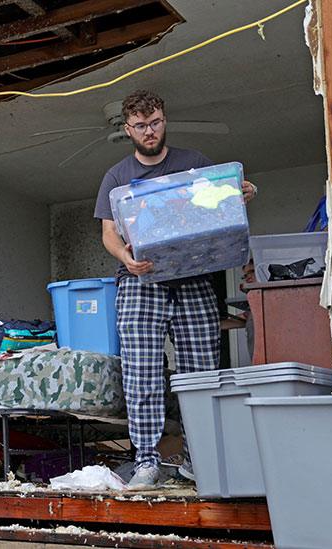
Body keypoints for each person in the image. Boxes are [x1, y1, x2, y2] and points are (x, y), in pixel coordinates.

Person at [93, 90, 256, 489]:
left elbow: (217, 204)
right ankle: (146, 460)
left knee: (202, 373)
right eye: (141, 126)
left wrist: (238, 192)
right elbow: (108, 234)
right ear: (128, 129)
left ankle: (199, 458)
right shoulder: (117, 176)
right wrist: (126, 258)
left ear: (165, 120)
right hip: (139, 282)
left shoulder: (194, 163)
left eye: (156, 123)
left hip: (194, 280)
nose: (149, 131)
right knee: (142, 373)